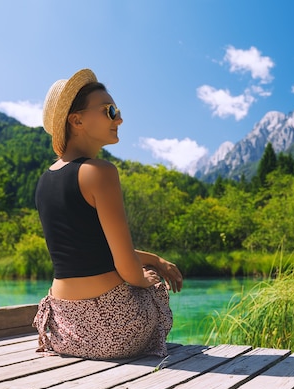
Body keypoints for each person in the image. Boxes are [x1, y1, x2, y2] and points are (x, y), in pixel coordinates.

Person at [32, 68, 182, 360]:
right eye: (109, 111)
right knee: (150, 288)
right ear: (76, 120)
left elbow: (91, 249)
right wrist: (147, 278)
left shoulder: (44, 180)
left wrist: (153, 258)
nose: (119, 119)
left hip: (65, 332)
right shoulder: (100, 172)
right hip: (115, 336)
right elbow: (126, 267)